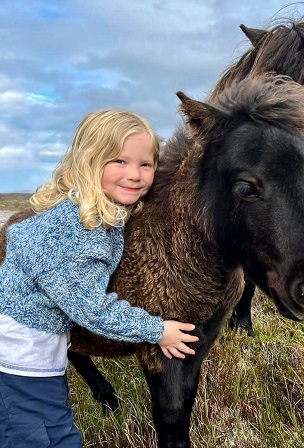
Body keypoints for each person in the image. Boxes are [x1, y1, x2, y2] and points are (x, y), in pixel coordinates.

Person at [0, 109, 199, 447]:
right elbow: (93, 310)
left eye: (146, 164)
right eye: (119, 161)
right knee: (42, 437)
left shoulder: (83, 208)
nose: (135, 175)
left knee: (48, 427)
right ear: (88, 161)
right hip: (19, 365)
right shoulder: (82, 233)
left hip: (33, 356)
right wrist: (158, 330)